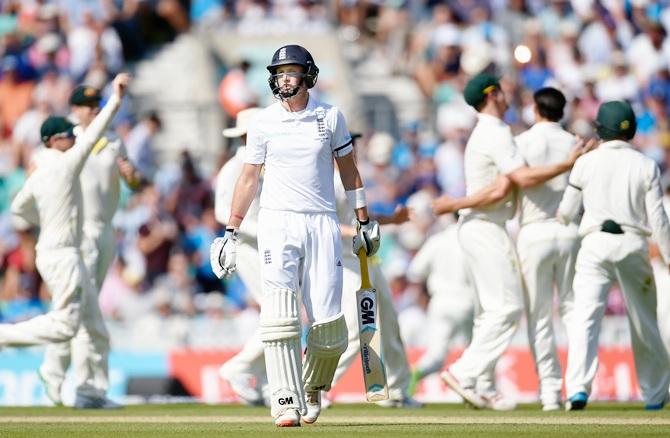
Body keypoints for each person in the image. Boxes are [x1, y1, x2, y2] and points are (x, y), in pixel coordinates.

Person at [210, 45, 380, 427]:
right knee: (280, 313)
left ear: (308, 76)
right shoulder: (264, 122)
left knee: (327, 320)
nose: (284, 79)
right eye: (279, 73)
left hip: (321, 223)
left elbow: (350, 172)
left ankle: (313, 387)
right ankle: (285, 399)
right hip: (277, 222)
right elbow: (249, 176)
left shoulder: (330, 117)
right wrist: (231, 230)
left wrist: (364, 220)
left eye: (291, 72)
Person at [431, 73, 593, 409]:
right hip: (486, 227)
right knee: (507, 308)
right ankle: (464, 372)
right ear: (492, 95)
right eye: (502, 91)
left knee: (489, 311)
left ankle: (482, 384)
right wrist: (567, 162)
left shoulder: (491, 134)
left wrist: (455, 204)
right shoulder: (497, 132)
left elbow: (500, 188)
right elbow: (517, 179)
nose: (508, 96)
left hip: (482, 225)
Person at [4, 74, 129, 392]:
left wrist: (44, 219)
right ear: (55, 141)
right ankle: (6, 337)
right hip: (65, 253)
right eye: (67, 137)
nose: (73, 140)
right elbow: (92, 136)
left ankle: (91, 391)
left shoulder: (39, 169)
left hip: (57, 249)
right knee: (65, 325)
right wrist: (115, 99)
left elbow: (18, 210)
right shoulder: (64, 164)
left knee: (93, 324)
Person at [557, 100, 670, 411]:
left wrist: (562, 217)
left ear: (600, 130)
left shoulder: (585, 163)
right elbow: (658, 219)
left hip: (595, 244)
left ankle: (577, 390)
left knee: (585, 318)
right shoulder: (646, 164)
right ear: (631, 129)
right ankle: (655, 394)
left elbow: (567, 211)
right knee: (644, 320)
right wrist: (669, 257)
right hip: (633, 242)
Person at [36, 83, 141, 409]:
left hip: (105, 230)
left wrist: (131, 176)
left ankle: (57, 374)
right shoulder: (69, 140)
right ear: (76, 108)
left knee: (79, 307)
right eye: (88, 105)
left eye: (98, 104)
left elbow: (134, 182)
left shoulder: (113, 140)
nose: (95, 109)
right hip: (77, 232)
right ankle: (81, 385)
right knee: (82, 308)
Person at [330, 170, 421, 408]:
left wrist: (393, 220)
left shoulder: (352, 178)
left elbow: (362, 220)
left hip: (368, 259)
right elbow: (324, 222)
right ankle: (317, 387)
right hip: (346, 260)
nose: (352, 149)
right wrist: (356, 233)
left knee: (390, 324)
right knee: (357, 325)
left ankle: (398, 390)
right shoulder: (324, 179)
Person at [514, 87, 580, 411]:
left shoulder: (523, 142)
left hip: (534, 232)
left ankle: (551, 392)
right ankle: (579, 386)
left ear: (535, 109)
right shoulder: (575, 143)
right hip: (570, 230)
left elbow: (517, 182)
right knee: (574, 312)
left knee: (540, 317)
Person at [214, 107, 269, 406]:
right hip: (248, 245)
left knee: (279, 314)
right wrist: (262, 230)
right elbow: (222, 212)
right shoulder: (234, 168)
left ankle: (259, 378)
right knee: (279, 312)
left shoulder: (260, 164)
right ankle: (238, 368)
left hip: (265, 244)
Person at [405, 215, 476, 397]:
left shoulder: (438, 240)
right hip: (469, 302)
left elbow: (415, 271)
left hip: (441, 301)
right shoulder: (474, 239)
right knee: (475, 353)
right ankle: (476, 390)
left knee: (436, 355)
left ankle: (413, 375)